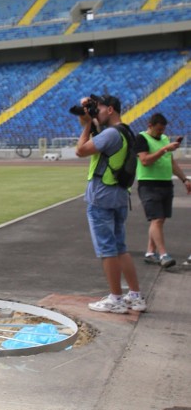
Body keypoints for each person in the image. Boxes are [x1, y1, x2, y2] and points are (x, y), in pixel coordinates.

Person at [73, 94, 146, 314]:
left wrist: (86, 127)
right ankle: (135, 295)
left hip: (101, 196)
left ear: (110, 109)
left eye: (100, 108)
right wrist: (89, 120)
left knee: (107, 249)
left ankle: (115, 298)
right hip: (119, 194)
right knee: (120, 247)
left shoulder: (111, 134)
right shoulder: (125, 131)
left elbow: (81, 150)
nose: (98, 112)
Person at [135, 113, 191, 269]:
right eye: (158, 130)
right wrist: (164, 149)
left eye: (162, 130)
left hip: (166, 184)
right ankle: (163, 255)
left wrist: (184, 179)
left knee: (159, 220)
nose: (161, 133)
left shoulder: (165, 139)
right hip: (149, 184)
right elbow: (145, 161)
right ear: (150, 125)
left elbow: (171, 162)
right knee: (157, 219)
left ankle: (150, 253)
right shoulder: (141, 138)